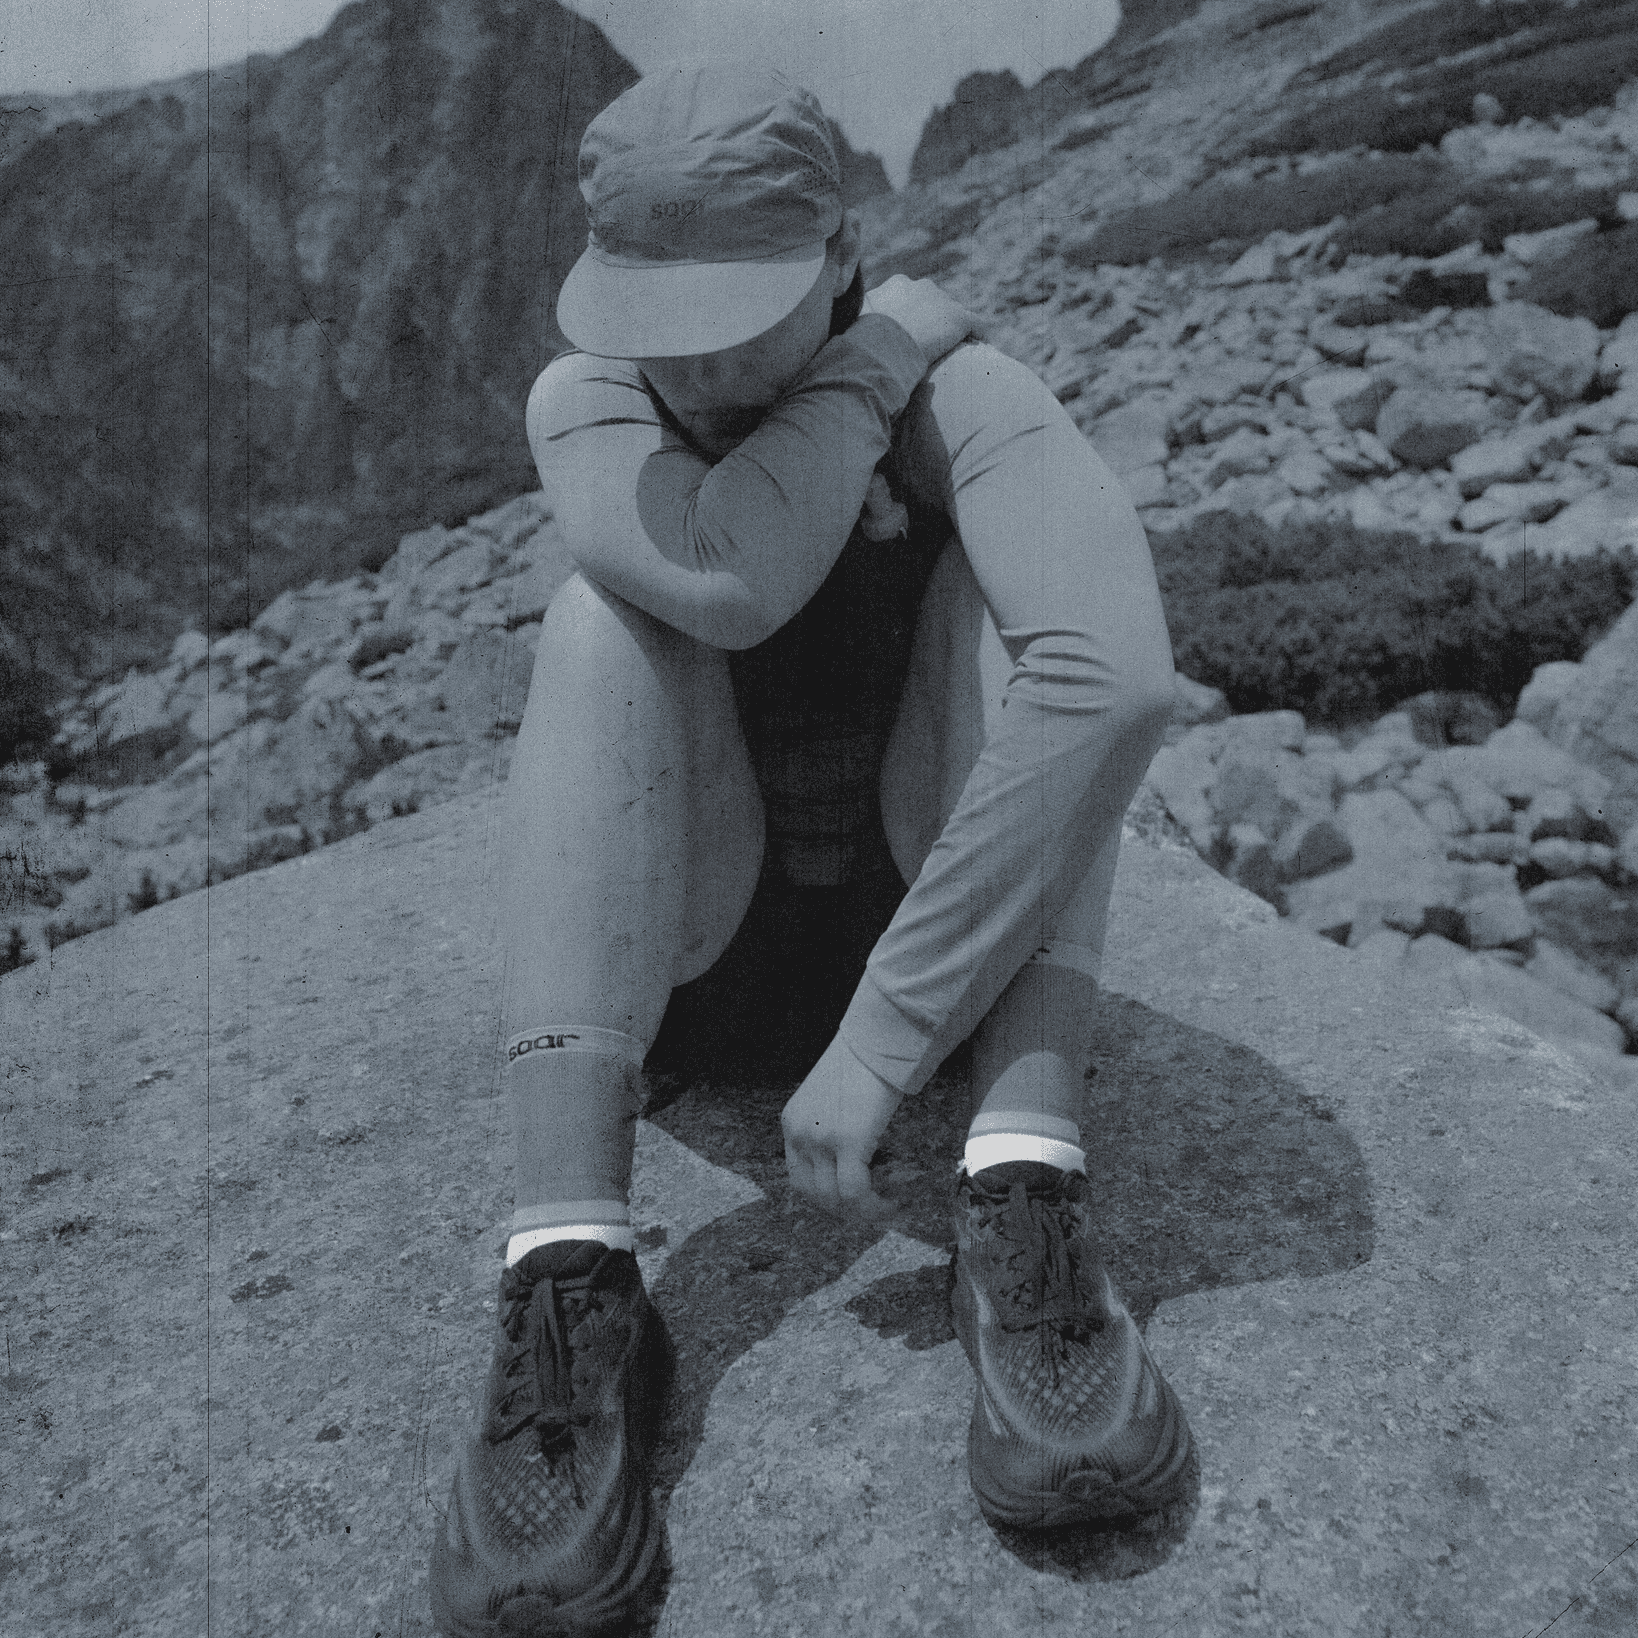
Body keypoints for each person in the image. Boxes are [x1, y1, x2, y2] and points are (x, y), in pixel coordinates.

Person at [430, 59, 1192, 1637]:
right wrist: (864, 371)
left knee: (1024, 619)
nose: (701, 368)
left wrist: (889, 1035)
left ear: (841, 254)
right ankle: (570, 1271)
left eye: (743, 316)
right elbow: (732, 582)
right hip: (709, 967)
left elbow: (1115, 678)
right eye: (664, 321)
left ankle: (1021, 1183)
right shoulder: (593, 399)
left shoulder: (964, 393)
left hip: (953, 964)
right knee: (599, 624)